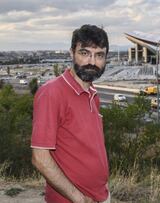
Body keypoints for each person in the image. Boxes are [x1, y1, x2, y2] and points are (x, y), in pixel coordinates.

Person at [31, 24, 110, 203]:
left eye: (99, 55)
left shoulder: (92, 94)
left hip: (100, 195)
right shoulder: (52, 93)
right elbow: (40, 158)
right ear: (71, 53)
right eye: (84, 53)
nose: (92, 61)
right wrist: (79, 199)